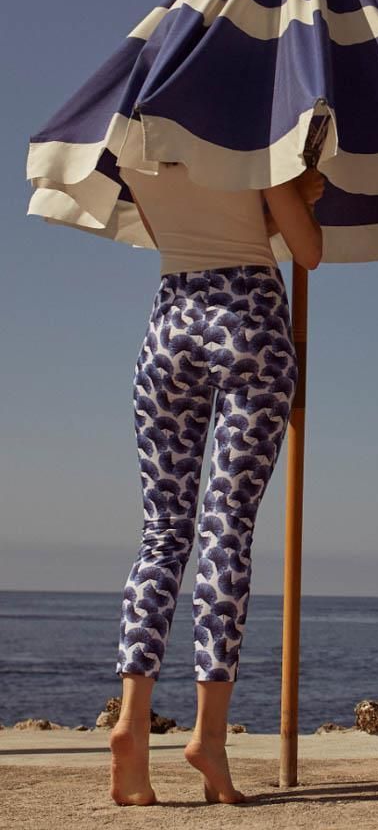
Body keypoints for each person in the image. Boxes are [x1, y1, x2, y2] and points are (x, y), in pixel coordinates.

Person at [107, 160, 325, 807]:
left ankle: (130, 724)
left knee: (162, 532)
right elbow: (308, 251)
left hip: (168, 326)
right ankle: (209, 736)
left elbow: (181, 232)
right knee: (225, 532)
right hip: (248, 317)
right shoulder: (260, 140)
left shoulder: (133, 142)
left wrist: (259, 211)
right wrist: (298, 196)